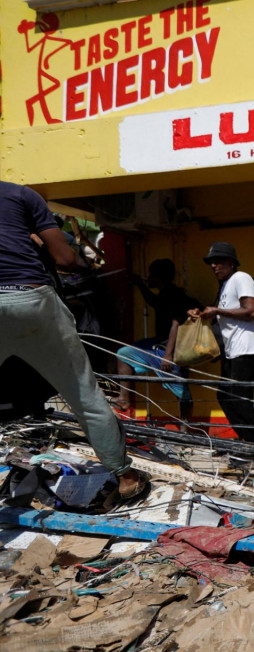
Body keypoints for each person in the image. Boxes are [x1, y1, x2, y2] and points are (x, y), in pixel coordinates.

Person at [0, 180, 147, 501]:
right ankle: (124, 475)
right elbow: (65, 259)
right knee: (84, 394)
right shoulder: (22, 195)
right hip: (32, 299)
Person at [190, 242, 254, 442]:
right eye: (211, 262)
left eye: (218, 261)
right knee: (226, 396)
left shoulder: (241, 278)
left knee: (239, 397)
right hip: (234, 349)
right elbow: (227, 314)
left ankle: (252, 442)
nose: (213, 266)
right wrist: (201, 313)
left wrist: (216, 311)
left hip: (248, 347)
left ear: (232, 262)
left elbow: (252, 311)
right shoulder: (226, 285)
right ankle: (248, 438)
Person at [115, 259, 199, 420]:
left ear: (157, 276)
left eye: (150, 275)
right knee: (124, 354)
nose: (149, 277)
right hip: (156, 345)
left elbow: (176, 324)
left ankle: (184, 429)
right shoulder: (165, 293)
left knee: (182, 391)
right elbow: (154, 302)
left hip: (170, 349)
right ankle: (124, 398)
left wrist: (168, 355)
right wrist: (140, 284)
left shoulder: (174, 295)